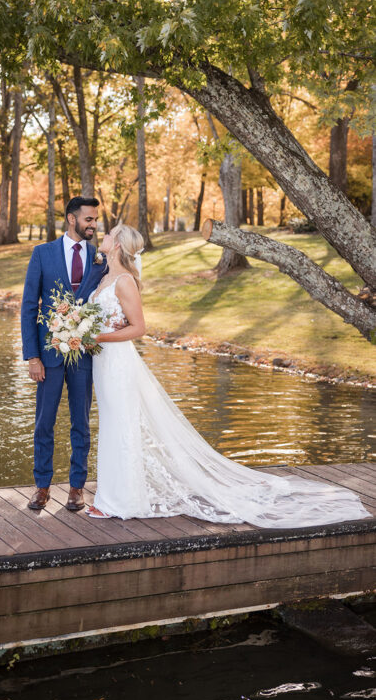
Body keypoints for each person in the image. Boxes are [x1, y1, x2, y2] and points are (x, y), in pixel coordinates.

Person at [85, 224, 371, 527]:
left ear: (116, 245)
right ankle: (115, 495)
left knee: (121, 426)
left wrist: (97, 338)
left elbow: (139, 328)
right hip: (103, 364)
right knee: (112, 424)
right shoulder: (106, 277)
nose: (102, 236)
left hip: (117, 364)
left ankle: (119, 501)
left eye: (108, 234)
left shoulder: (125, 281)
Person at [21, 197, 107, 511]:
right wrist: (32, 356)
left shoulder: (101, 258)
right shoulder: (42, 254)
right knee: (44, 422)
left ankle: (76, 487)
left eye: (95, 219)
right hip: (49, 356)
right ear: (71, 219)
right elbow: (29, 307)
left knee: (81, 423)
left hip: (85, 355)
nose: (93, 224)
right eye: (88, 219)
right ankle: (42, 486)